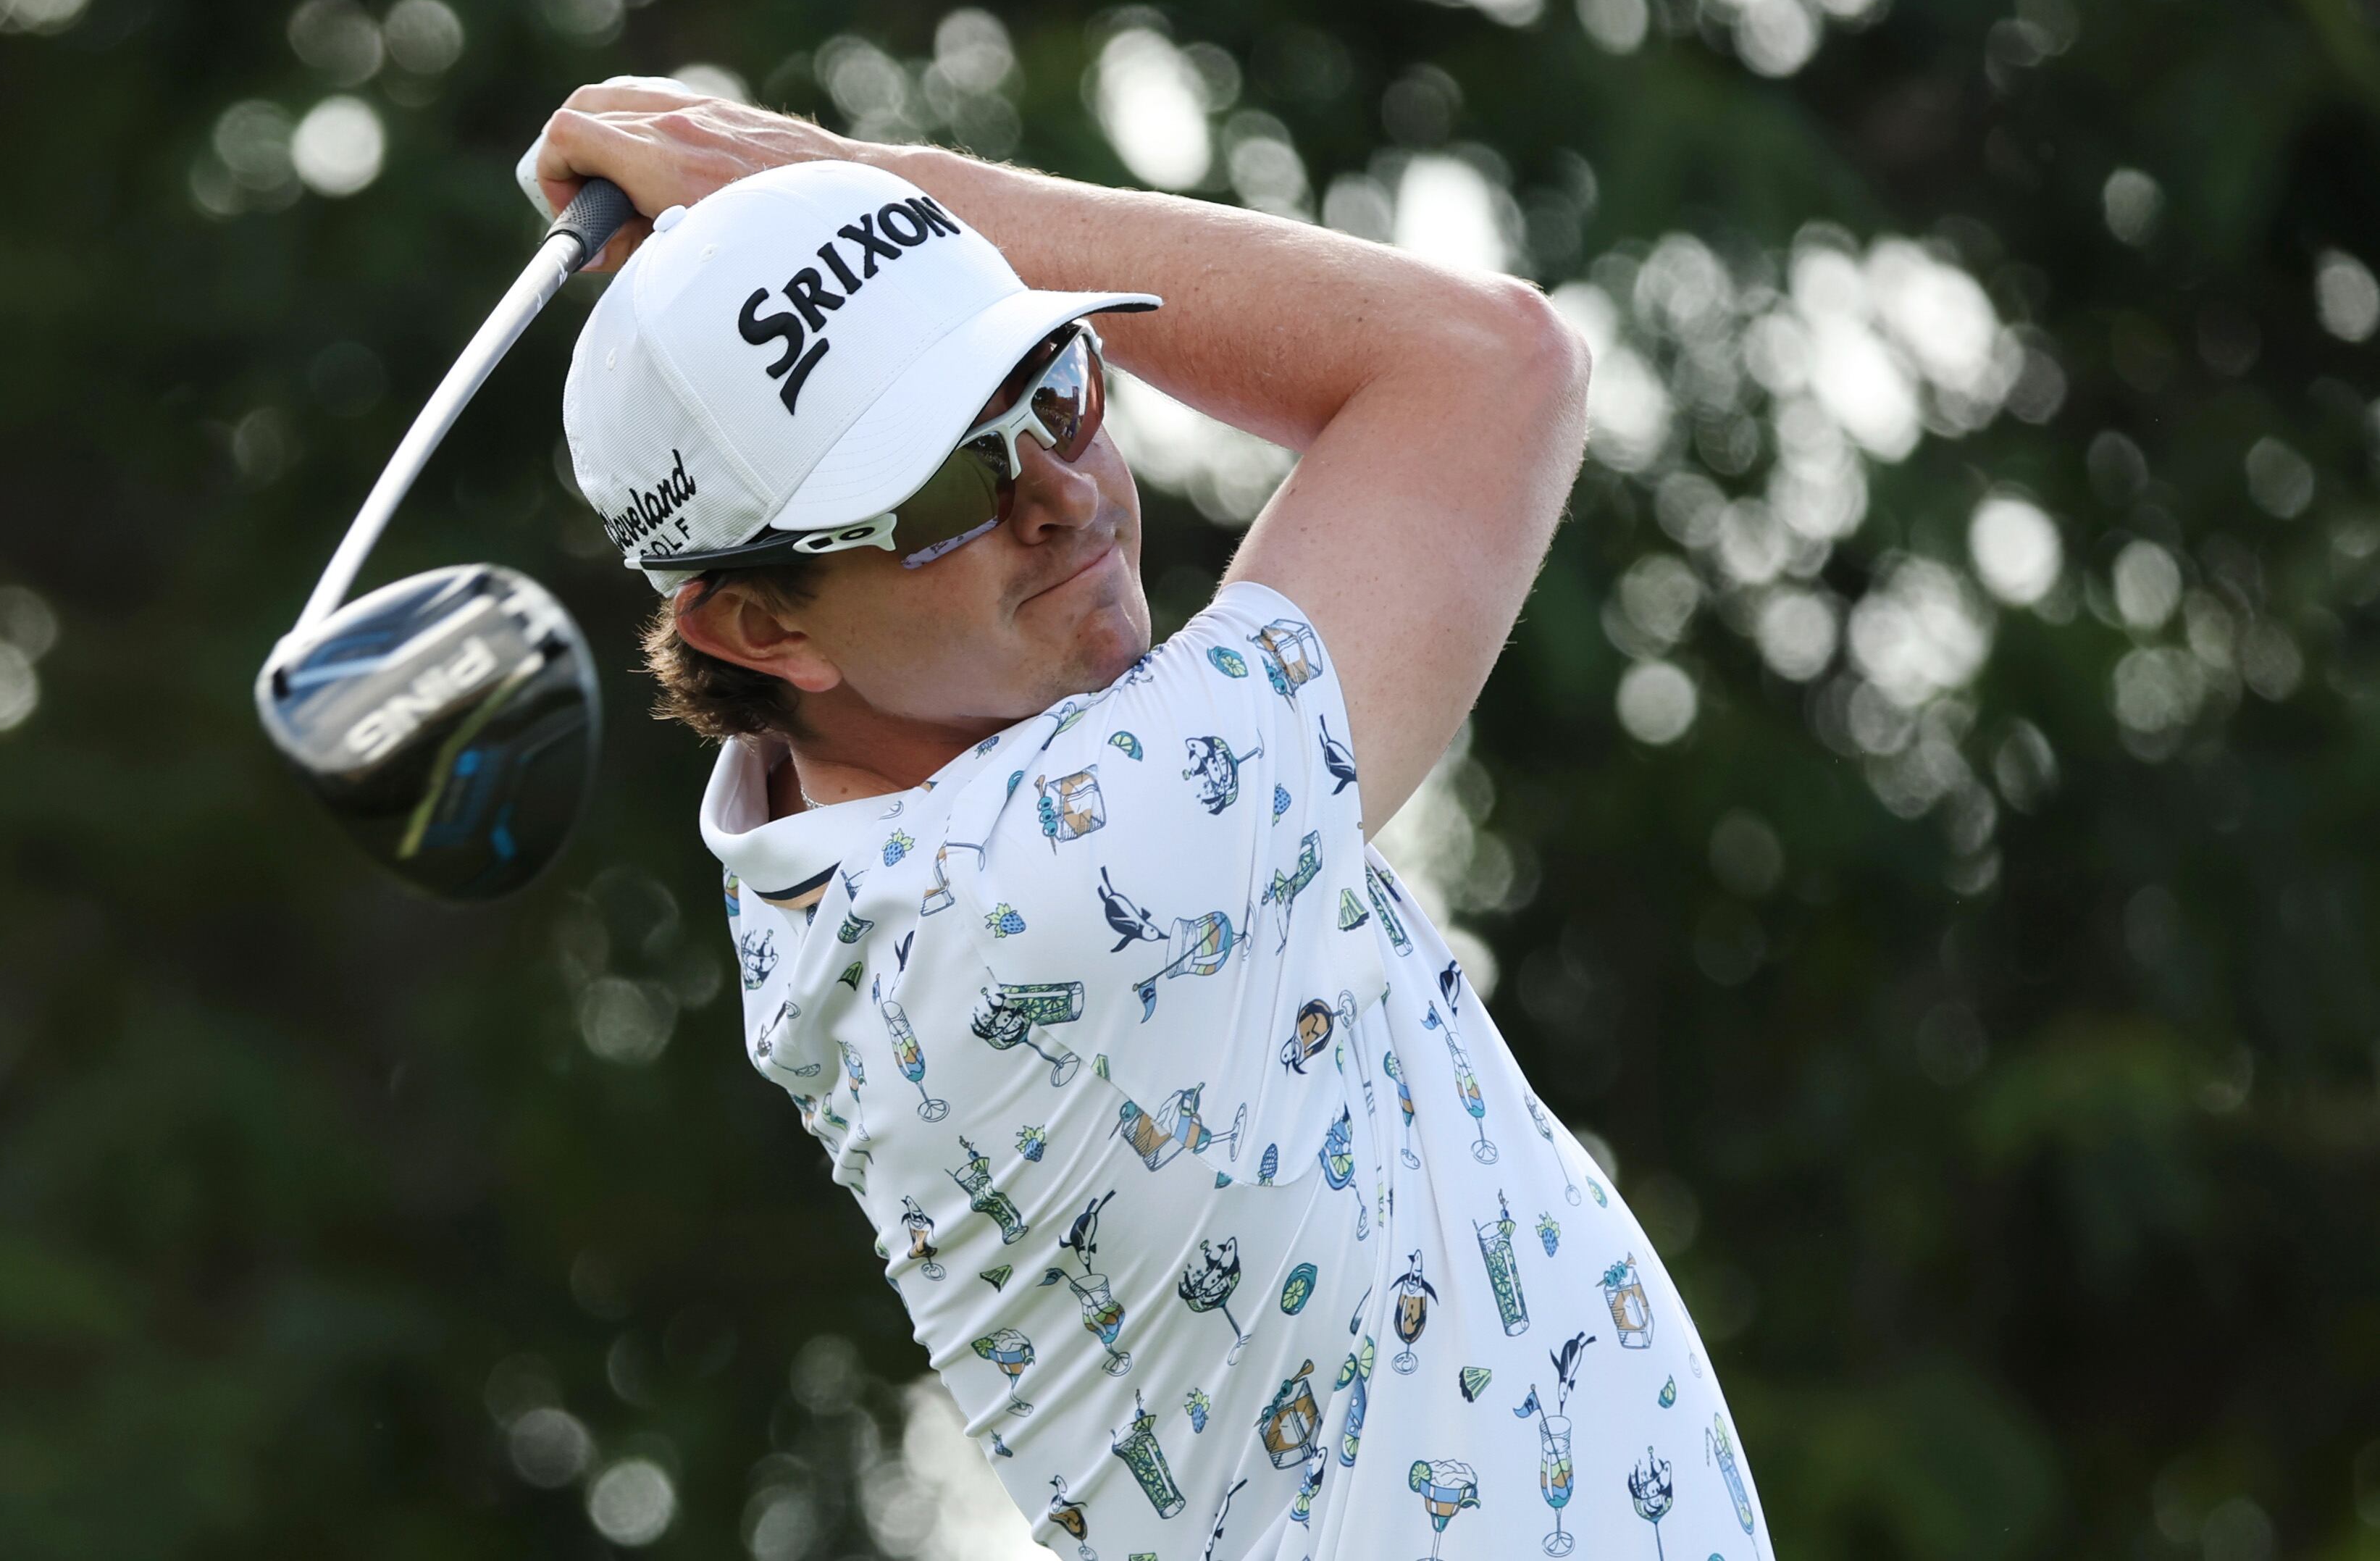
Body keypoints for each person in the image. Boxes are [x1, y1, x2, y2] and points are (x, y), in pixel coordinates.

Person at [527, 76, 1773, 1561]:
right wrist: (870, 181)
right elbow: (1490, 364)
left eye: (1051, 382)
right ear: (751, 626)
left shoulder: (829, 847)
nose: (1062, 494)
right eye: (938, 488)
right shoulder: (1054, 876)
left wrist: (876, 237)